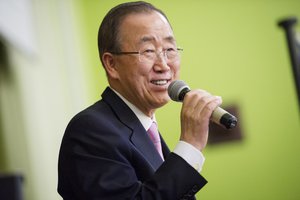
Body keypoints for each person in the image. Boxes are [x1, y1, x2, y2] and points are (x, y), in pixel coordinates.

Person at [57, 1, 222, 199]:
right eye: (148, 51)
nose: (164, 65)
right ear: (112, 64)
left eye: (170, 49)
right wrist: (190, 144)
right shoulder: (90, 130)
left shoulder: (144, 128)